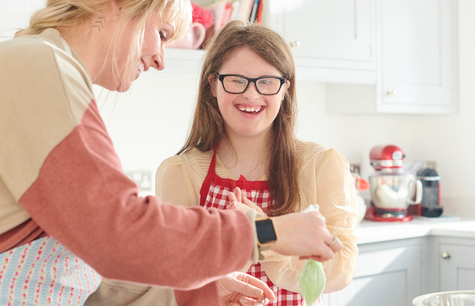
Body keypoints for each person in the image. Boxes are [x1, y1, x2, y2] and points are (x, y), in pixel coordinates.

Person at [0, 0, 342, 306]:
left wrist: (197, 293)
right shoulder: (38, 66)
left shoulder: (43, 68)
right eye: (161, 34)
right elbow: (118, 232)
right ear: (119, 6)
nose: (160, 59)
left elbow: (83, 274)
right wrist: (267, 232)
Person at [152, 21, 359, 305]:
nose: (251, 95)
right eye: (237, 80)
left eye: (267, 82)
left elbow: (342, 268)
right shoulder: (181, 172)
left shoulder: (320, 166)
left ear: (285, 89)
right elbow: (174, 275)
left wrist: (265, 238)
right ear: (213, 85)